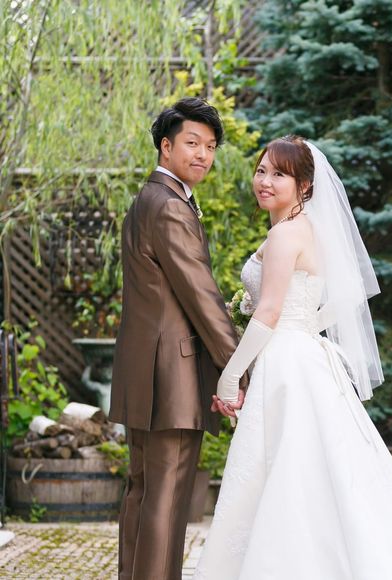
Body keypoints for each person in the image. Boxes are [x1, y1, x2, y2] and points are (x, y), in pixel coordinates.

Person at [193, 136, 392, 579]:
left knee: (288, 467)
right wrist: (304, 325)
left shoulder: (285, 234)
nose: (264, 181)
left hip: (285, 362)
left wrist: (230, 377)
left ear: (304, 185)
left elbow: (269, 312)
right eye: (261, 171)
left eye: (278, 174)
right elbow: (346, 295)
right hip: (303, 355)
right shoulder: (310, 230)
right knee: (316, 467)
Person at [109, 97, 246, 580]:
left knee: (144, 492)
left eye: (210, 146)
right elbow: (202, 298)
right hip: (173, 376)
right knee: (165, 499)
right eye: (192, 143)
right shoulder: (170, 207)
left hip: (144, 372)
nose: (203, 154)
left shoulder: (146, 200)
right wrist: (240, 368)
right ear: (166, 147)